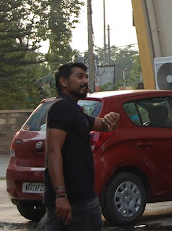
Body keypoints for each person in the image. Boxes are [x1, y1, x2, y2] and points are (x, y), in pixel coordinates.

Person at [44, 62, 121, 230]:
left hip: (83, 197)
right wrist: (61, 195)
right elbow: (53, 151)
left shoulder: (75, 110)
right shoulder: (61, 107)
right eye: (79, 77)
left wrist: (113, 118)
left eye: (86, 77)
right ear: (64, 82)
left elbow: (103, 126)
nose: (85, 81)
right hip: (72, 201)